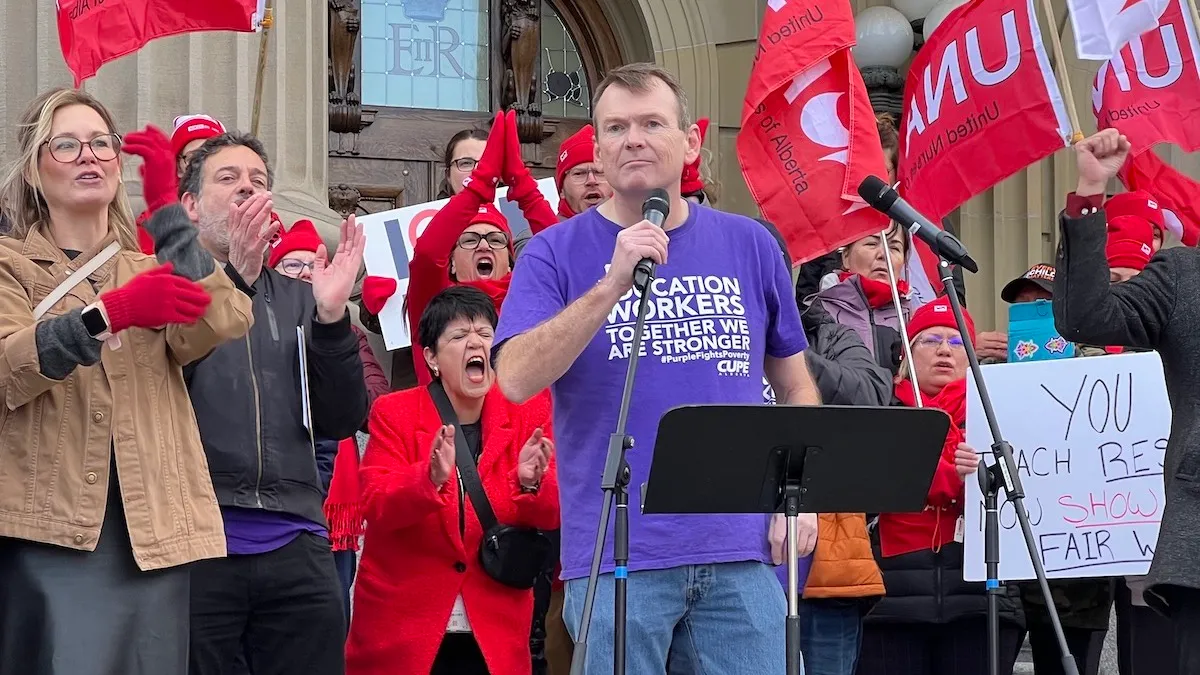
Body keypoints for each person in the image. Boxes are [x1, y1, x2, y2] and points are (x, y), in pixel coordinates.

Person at [493, 62, 821, 674]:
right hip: (617, 554)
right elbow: (513, 377)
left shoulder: (749, 244)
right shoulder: (553, 252)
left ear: (690, 141)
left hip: (740, 547)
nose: (633, 139)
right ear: (596, 150)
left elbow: (795, 384)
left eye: (651, 123)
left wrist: (797, 498)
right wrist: (610, 285)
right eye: (615, 128)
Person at [0, 88, 253, 675]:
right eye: (66, 145)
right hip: (50, 528)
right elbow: (8, 366)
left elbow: (223, 319)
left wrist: (170, 216)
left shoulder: (152, 264)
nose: (89, 156)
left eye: (101, 144)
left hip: (152, 530)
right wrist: (106, 315)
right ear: (36, 169)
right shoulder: (9, 263)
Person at [179, 131, 369, 675]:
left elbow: (339, 418)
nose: (247, 189)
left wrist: (333, 322)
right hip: (201, 540)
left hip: (297, 540)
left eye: (258, 181)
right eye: (228, 179)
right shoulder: (164, 285)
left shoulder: (300, 296)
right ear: (189, 206)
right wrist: (234, 276)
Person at [346, 286, 560, 675]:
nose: (474, 342)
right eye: (459, 336)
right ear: (431, 358)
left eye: (484, 333)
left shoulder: (529, 408)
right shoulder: (395, 412)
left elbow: (551, 515)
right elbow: (375, 503)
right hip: (406, 629)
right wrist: (426, 480)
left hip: (494, 629)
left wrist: (530, 484)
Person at [857, 297, 1024, 675]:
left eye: (956, 342)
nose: (944, 350)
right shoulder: (876, 409)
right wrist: (953, 477)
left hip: (982, 601)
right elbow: (878, 481)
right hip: (890, 604)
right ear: (907, 355)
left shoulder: (1001, 413)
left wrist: (983, 479)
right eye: (930, 340)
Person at [361, 110, 558, 386]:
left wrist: (522, 184)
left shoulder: (529, 297)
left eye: (496, 239)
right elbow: (428, 256)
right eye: (469, 239)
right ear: (450, 262)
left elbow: (563, 257)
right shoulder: (435, 301)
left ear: (511, 258)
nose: (483, 245)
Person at [268, 217, 391, 622]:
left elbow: (375, 409)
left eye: (313, 265)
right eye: (292, 265)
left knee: (329, 615)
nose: (305, 274)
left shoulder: (347, 333)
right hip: (271, 494)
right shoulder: (255, 329)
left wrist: (335, 357)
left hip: (334, 499)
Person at [127, 114, 227, 255]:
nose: (205, 165)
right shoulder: (153, 224)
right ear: (179, 168)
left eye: (213, 155)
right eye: (194, 158)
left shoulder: (256, 214)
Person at [513, 124, 613, 259]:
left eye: (600, 172)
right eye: (579, 174)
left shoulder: (635, 233)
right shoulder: (533, 238)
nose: (591, 180)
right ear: (561, 191)